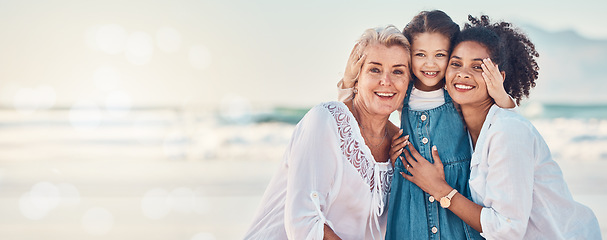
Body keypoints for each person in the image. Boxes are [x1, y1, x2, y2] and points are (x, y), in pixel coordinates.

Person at [398, 15, 601, 239]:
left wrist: (439, 189)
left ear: (498, 77)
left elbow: (507, 230)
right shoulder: (464, 131)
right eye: (456, 63)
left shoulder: (508, 132)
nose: (463, 73)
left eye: (478, 66)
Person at [340, 10, 514, 239]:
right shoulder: (403, 91)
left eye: (440, 55)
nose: (430, 64)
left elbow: (503, 122)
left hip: (454, 187)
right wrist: (348, 78)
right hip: (410, 192)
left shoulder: (456, 92)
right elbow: (358, 118)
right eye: (420, 54)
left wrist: (500, 93)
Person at [244, 25, 411, 240]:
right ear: (357, 78)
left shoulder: (401, 144)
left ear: (408, 83)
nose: (386, 81)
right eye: (375, 69)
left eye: (398, 71)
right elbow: (304, 222)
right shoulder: (325, 120)